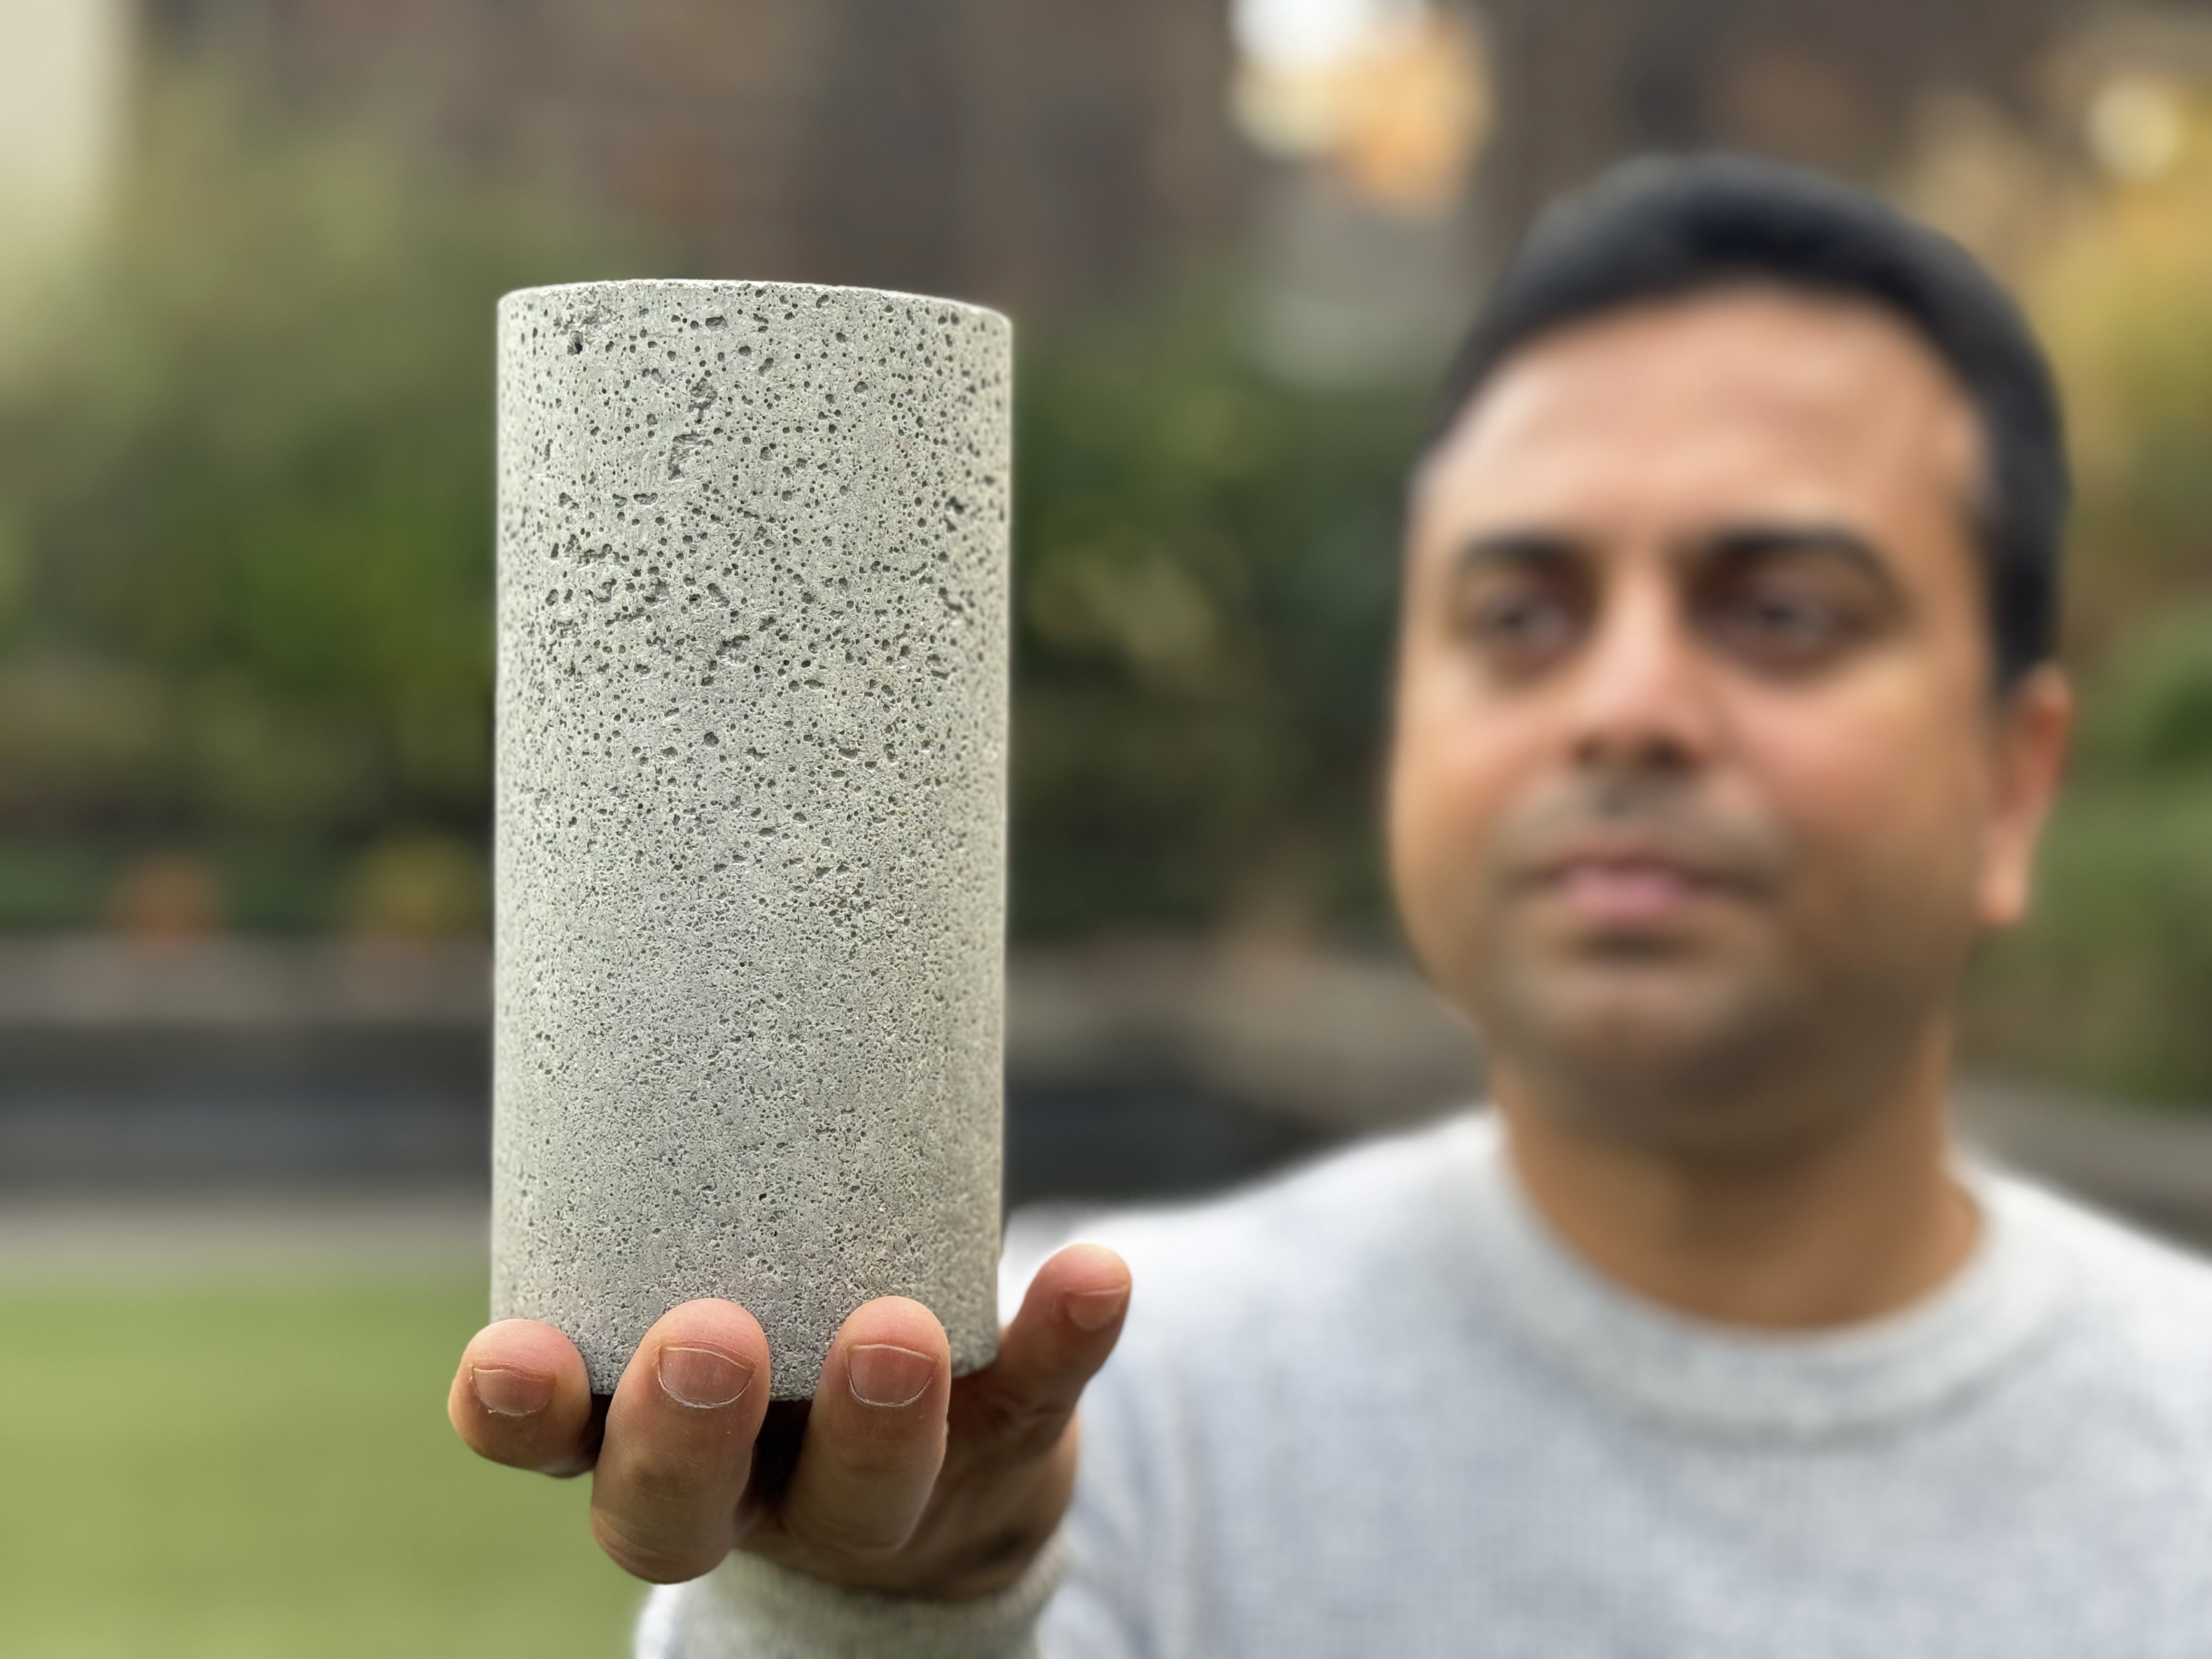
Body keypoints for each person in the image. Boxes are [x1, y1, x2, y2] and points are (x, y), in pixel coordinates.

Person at [448, 154, 2212, 1656]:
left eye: (1783, 612)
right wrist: (898, 1616)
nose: (1627, 705)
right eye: (1521, 615)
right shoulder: (1075, 1424)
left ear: (2016, 780)